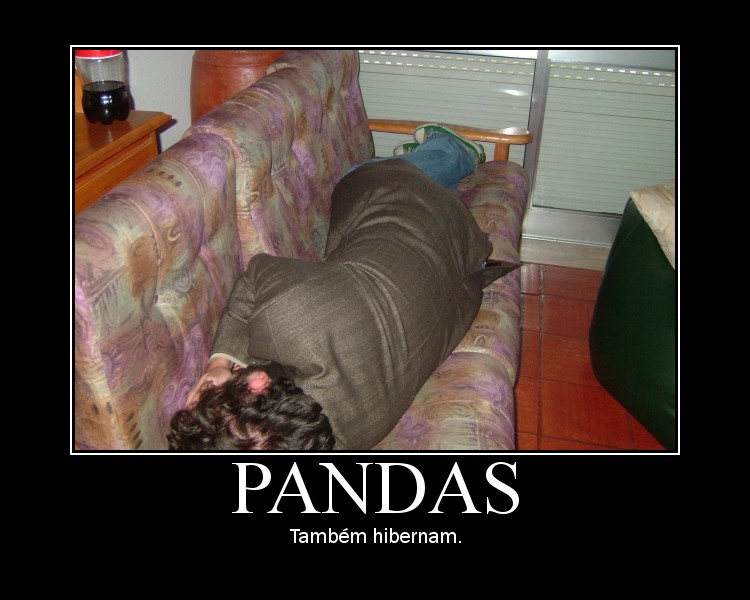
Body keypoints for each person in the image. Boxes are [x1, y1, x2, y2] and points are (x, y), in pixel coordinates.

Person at [167, 124, 518, 451]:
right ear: (257, 383)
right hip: (430, 217)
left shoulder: (350, 437)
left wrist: (227, 370)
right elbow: (257, 274)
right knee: (363, 174)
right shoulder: (291, 317)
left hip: (465, 270)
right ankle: (454, 149)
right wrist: (220, 363)